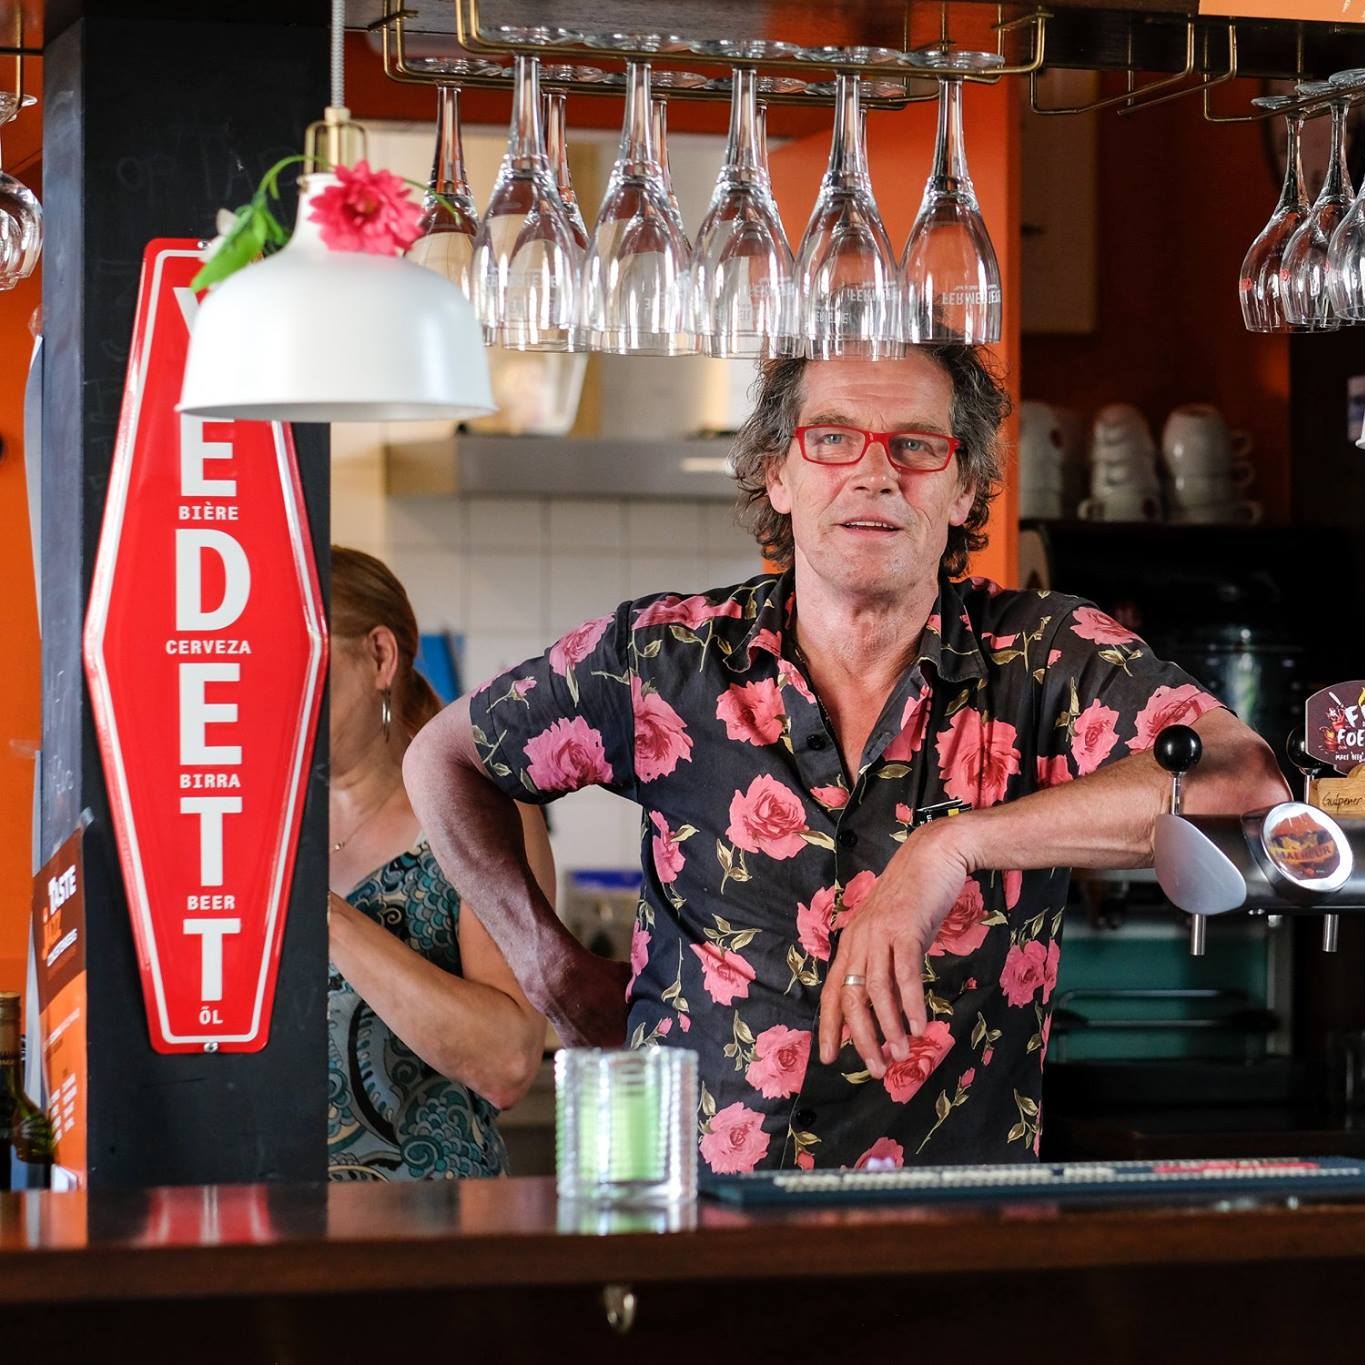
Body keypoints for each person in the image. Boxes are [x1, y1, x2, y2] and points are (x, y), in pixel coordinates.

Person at [403, 351, 1289, 1172]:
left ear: (964, 487)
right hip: (688, 1221)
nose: (874, 473)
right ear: (777, 474)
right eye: (831, 439)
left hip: (947, 1230)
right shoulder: (661, 658)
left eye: (917, 445)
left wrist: (951, 847)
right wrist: (546, 964)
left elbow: (1239, 779)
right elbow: (443, 759)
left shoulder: (1045, 656)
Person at [327, 547, 551, 1180]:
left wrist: (330, 922)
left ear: (379, 656)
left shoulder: (476, 813)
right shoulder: (244, 826)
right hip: (269, 1222)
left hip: (429, 1218)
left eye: (295, 657)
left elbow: (509, 1062)